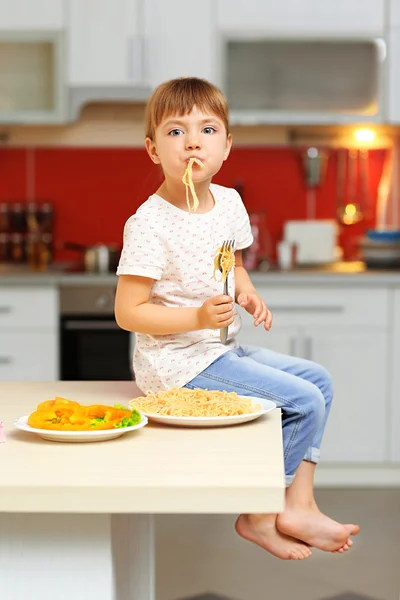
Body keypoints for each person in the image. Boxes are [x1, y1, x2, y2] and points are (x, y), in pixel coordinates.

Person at [114, 77, 359, 560]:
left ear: (226, 146)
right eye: (175, 132)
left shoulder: (228, 203)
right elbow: (128, 313)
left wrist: (247, 294)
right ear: (152, 148)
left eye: (207, 130)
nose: (192, 144)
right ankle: (260, 514)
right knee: (304, 400)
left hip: (218, 349)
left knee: (320, 381)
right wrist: (198, 316)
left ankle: (298, 502)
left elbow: (233, 265)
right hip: (176, 365)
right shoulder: (149, 223)